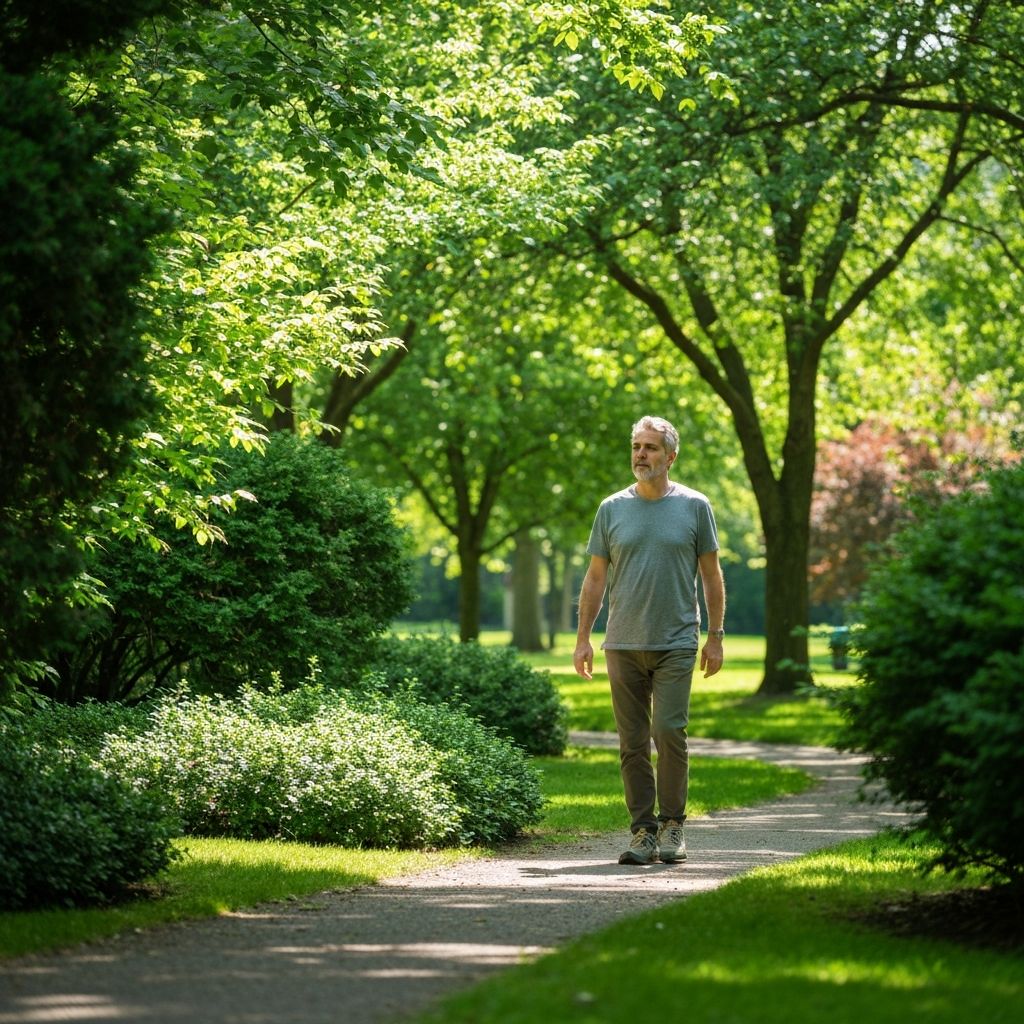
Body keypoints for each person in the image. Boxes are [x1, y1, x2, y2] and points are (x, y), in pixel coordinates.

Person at [573, 415, 725, 865]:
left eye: (652, 448)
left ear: (671, 456)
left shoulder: (695, 506)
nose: (641, 454)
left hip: (677, 639)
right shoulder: (611, 509)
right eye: (637, 446)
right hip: (622, 643)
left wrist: (715, 636)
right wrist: (583, 638)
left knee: (668, 731)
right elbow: (595, 578)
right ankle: (643, 831)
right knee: (632, 742)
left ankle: (673, 825)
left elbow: (712, 576)